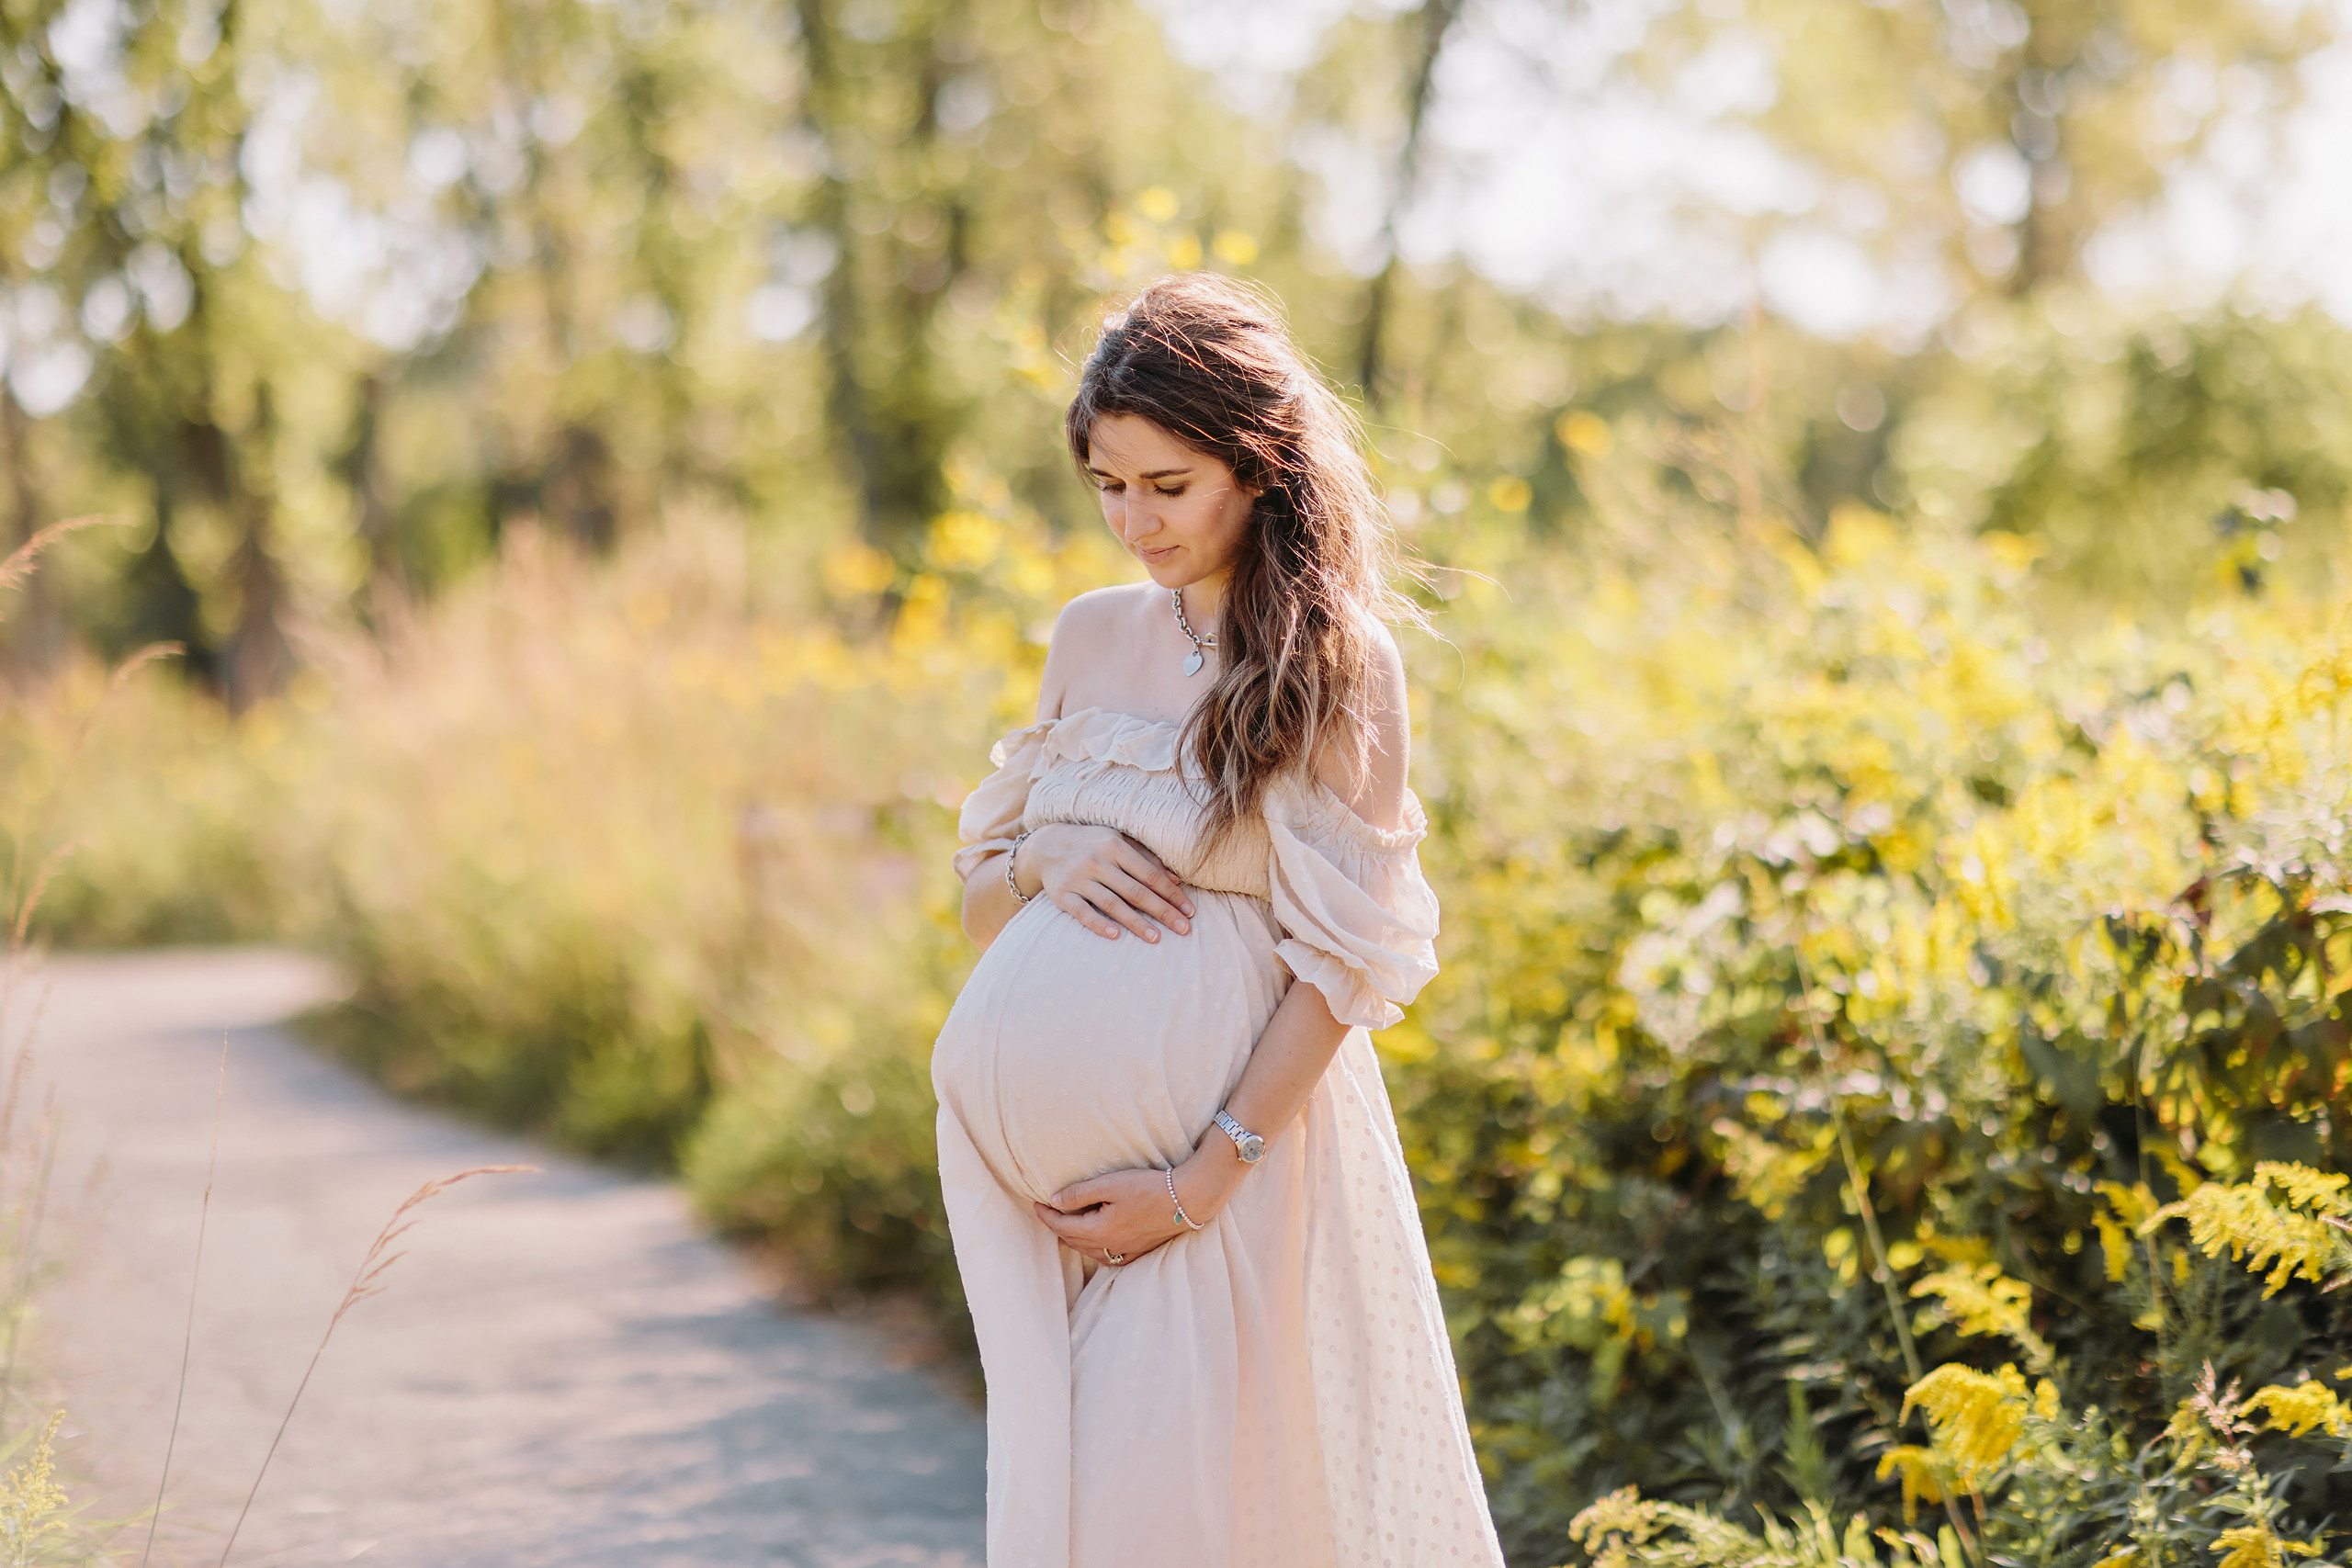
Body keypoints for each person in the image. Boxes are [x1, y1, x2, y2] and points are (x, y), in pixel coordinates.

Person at [934, 272, 1507, 1567]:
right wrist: (1050, 858)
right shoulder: (1086, 638)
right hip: (1023, 1199)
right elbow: (980, 907)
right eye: (1108, 487)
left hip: (1225, 1173)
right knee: (1064, 1519)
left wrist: (1200, 1182)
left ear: (1259, 466)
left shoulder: (1341, 663)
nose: (1133, 521)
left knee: (1173, 1523)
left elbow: (1344, 966)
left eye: (1168, 484)